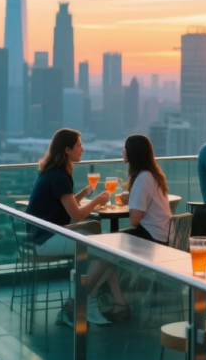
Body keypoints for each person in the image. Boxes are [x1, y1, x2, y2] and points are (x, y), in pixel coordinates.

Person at [27, 129, 130, 325]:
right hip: (46, 239)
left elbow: (64, 208)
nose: (82, 149)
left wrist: (82, 195)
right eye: (79, 145)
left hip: (42, 235)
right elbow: (75, 215)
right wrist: (97, 200)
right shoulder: (59, 176)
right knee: (105, 253)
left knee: (101, 245)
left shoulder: (53, 173)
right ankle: (81, 305)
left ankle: (88, 303)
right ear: (67, 150)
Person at [119, 134, 172, 244]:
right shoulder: (153, 175)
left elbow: (134, 221)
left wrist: (131, 201)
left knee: (112, 241)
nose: (123, 151)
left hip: (153, 236)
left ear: (133, 152)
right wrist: (132, 198)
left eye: (125, 148)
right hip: (165, 234)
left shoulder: (143, 178)